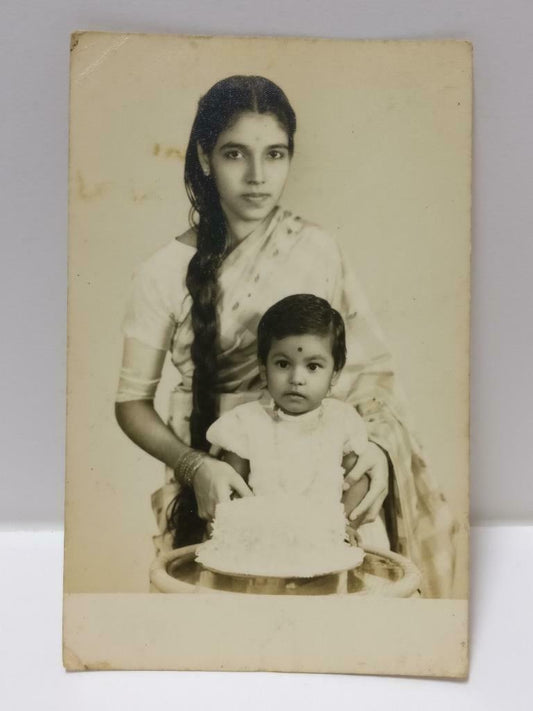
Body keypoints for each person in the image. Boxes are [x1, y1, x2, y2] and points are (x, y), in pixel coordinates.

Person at [115, 75, 456, 597]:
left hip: (326, 487)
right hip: (223, 489)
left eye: (275, 155)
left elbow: (369, 379)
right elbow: (131, 404)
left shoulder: (318, 250)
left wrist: (378, 457)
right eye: (235, 154)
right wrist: (195, 466)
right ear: (205, 158)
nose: (257, 176)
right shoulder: (162, 272)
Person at [205, 293, 387, 548]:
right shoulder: (247, 424)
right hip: (266, 542)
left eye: (312, 367)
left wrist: (344, 524)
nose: (296, 378)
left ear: (334, 374)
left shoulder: (341, 421)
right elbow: (232, 485)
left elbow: (359, 479)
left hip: (328, 539)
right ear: (263, 369)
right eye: (283, 364)